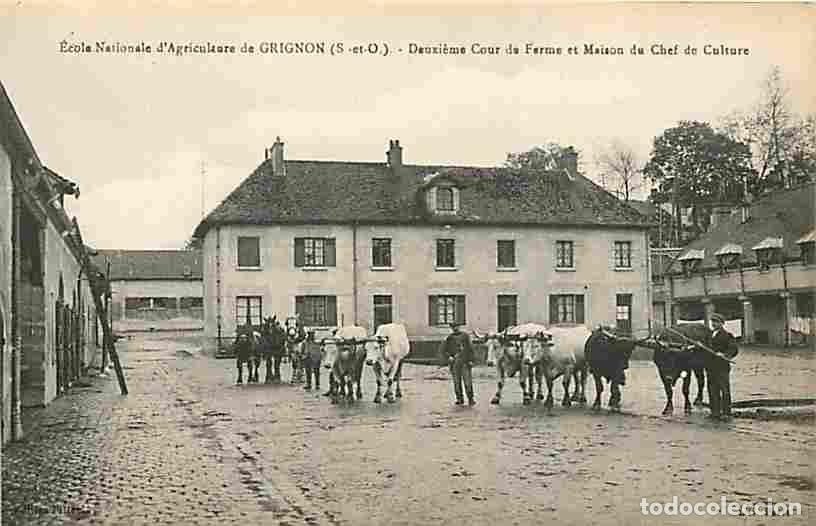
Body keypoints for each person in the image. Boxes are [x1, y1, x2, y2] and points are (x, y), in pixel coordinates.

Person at [706, 313, 739, 421]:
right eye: (712, 322)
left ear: (722, 323)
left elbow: (734, 349)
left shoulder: (727, 335)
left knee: (724, 389)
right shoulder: (709, 335)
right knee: (712, 389)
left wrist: (724, 355)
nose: (714, 324)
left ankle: (726, 412)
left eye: (716, 322)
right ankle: (714, 412)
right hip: (710, 367)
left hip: (722, 367)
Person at [440, 322, 476, 406]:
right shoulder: (449, 338)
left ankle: (471, 399)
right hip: (454, 364)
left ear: (459, 327)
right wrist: (449, 357)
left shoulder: (465, 336)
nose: (455, 328)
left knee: (468, 382)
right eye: (453, 327)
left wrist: (471, 360)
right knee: (457, 383)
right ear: (451, 328)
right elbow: (444, 350)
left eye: (457, 326)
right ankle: (459, 399)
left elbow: (471, 349)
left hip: (465, 362)